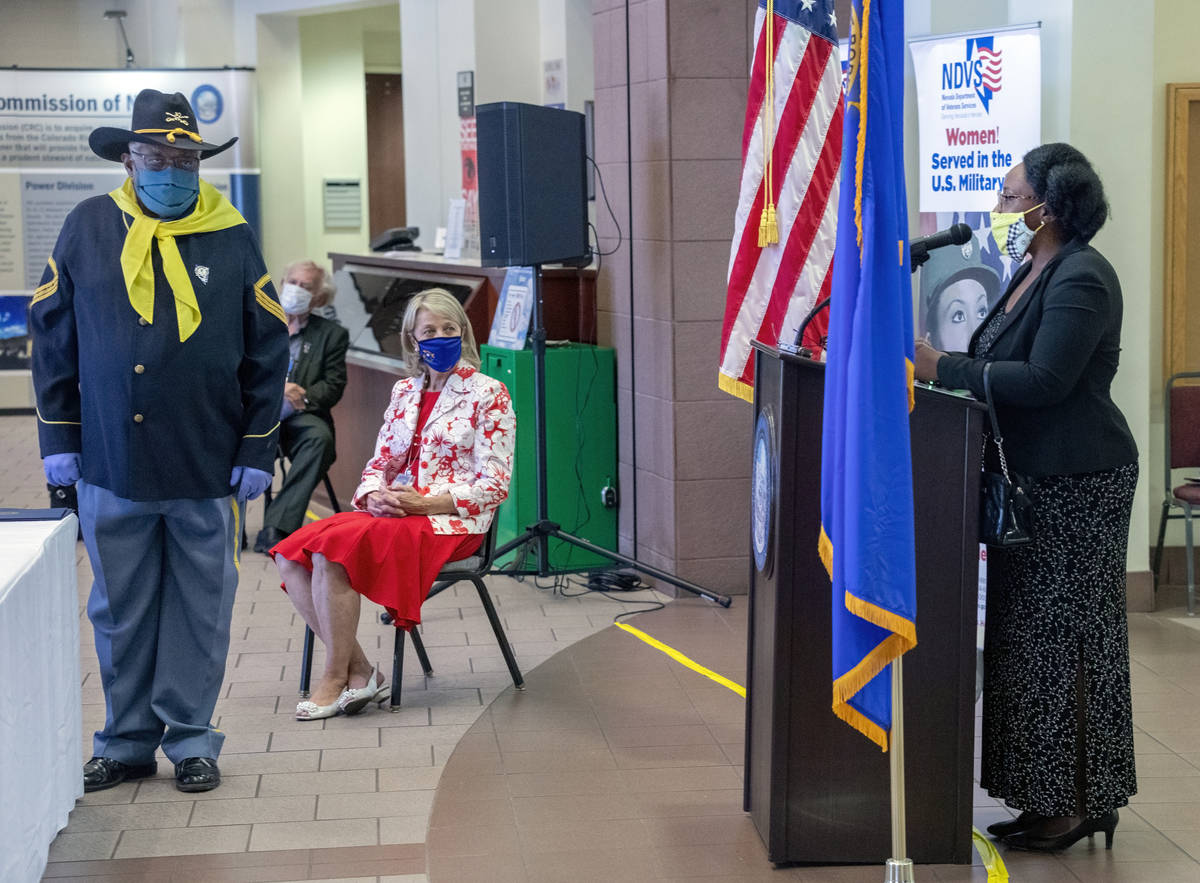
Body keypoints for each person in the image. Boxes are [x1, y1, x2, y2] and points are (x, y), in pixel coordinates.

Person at [29, 89, 288, 793]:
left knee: (200, 611)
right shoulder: (86, 227)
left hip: (208, 463)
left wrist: (257, 446)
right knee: (120, 609)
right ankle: (126, 739)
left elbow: (268, 349)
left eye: (185, 160)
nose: (173, 172)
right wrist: (59, 435)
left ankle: (193, 738)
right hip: (112, 462)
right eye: (158, 158)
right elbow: (52, 339)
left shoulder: (230, 234)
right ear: (128, 159)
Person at [914, 143, 1138, 852]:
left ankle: (1080, 800)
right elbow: (1001, 362)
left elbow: (1044, 381)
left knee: (1067, 638)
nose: (1002, 208)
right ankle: (1041, 798)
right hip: (1026, 481)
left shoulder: (1084, 278)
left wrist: (942, 365)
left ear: (1050, 204)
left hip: (1079, 483)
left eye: (1012, 197)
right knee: (1022, 635)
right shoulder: (1028, 269)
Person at [270, 288, 514, 721]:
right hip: (395, 512)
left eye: (449, 329)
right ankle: (361, 671)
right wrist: (373, 494)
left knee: (333, 551)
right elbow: (379, 462)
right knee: (291, 555)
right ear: (413, 341)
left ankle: (333, 676)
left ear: (464, 333)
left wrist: (427, 504)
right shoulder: (404, 391)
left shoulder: (489, 393)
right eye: (429, 331)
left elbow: (495, 484)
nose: (440, 337)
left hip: (450, 523)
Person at [254, 260, 349, 552]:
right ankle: (224, 524)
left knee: (319, 439)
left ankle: (277, 524)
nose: (295, 290)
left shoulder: (332, 335)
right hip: (255, 414)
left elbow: (332, 386)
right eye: (291, 282)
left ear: (319, 298)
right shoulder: (258, 323)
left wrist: (300, 398)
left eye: (305, 286)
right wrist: (275, 391)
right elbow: (235, 372)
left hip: (300, 417)